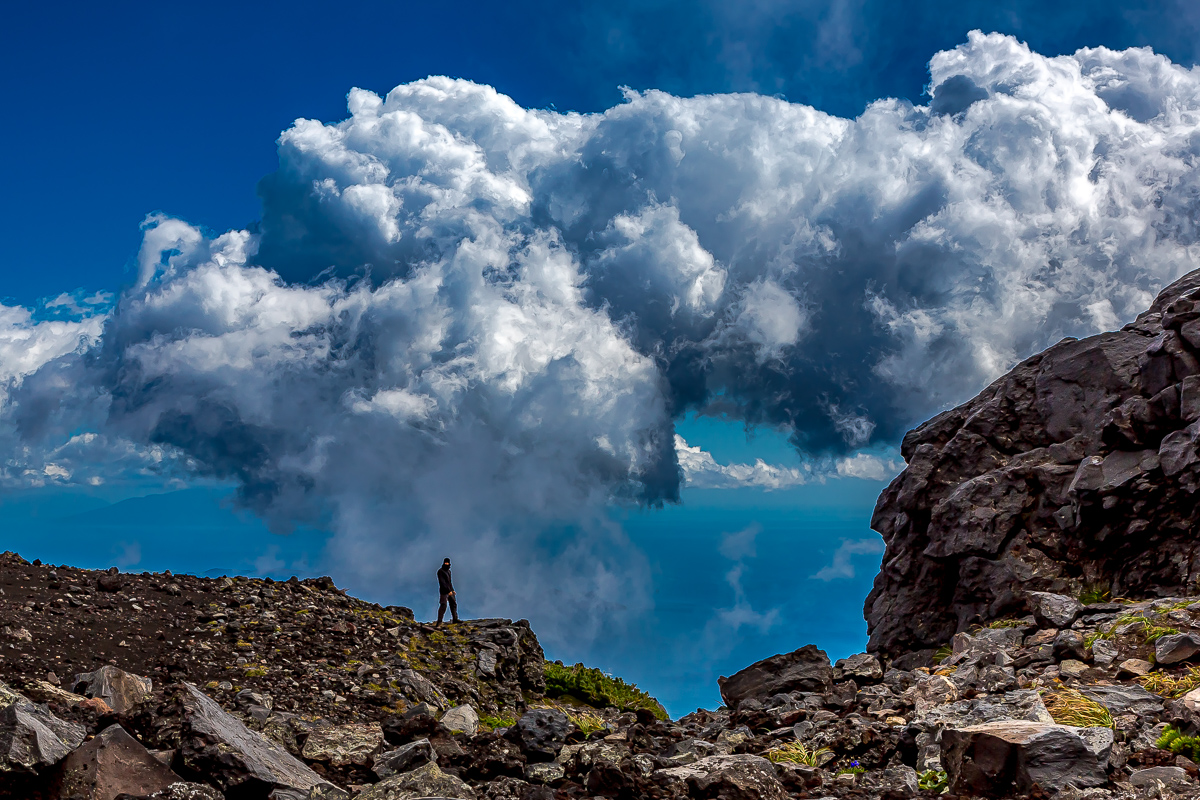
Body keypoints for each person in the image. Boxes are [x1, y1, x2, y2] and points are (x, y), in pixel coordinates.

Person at [437, 557, 460, 625]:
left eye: (447, 562)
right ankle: (439, 622)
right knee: (443, 605)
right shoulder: (440, 571)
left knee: (453, 604)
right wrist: (448, 591)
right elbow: (442, 582)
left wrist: (452, 590)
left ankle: (455, 619)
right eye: (445, 562)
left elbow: (449, 582)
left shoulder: (449, 571)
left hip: (450, 591)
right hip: (444, 591)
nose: (446, 564)